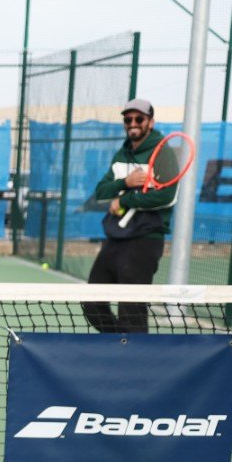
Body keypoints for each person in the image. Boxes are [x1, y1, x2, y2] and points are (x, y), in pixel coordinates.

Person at [86, 97, 177, 334]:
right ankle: (122, 346)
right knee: (91, 303)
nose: (133, 123)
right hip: (116, 238)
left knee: (132, 309)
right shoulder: (122, 154)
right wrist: (126, 182)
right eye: (128, 119)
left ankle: (135, 363)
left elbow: (166, 197)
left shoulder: (162, 153)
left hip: (146, 240)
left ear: (150, 122)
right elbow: (101, 192)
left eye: (139, 118)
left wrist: (124, 199)